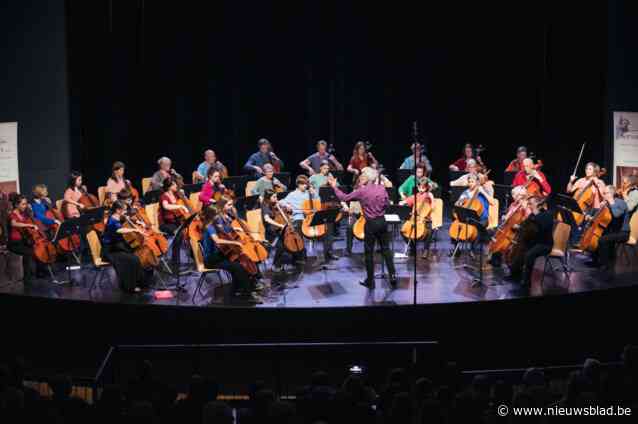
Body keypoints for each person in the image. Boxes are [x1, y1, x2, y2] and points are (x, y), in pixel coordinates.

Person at [328, 167, 397, 289]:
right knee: (386, 250)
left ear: (367, 178)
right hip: (382, 221)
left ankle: (370, 281)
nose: (361, 177)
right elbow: (387, 205)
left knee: (369, 253)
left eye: (363, 176)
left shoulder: (361, 191)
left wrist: (334, 187)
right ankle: (393, 276)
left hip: (370, 224)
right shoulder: (382, 188)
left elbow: (344, 198)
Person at [201, 201, 262, 303]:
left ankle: (242, 287)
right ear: (211, 216)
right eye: (216, 215)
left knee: (242, 261)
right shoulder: (209, 227)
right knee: (238, 267)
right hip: (212, 259)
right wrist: (234, 242)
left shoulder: (215, 224)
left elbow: (227, 230)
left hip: (221, 254)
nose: (218, 216)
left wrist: (234, 220)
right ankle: (247, 294)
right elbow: (217, 240)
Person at [101, 200, 149, 293]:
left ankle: (140, 282)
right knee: (132, 259)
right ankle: (129, 287)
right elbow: (120, 230)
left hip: (119, 246)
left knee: (135, 257)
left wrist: (138, 222)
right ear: (118, 210)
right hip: (111, 250)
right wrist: (135, 229)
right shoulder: (111, 220)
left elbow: (130, 218)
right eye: (124, 210)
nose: (125, 212)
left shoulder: (119, 217)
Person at [505, 196, 554, 287]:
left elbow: (542, 227)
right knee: (519, 250)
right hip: (532, 241)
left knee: (529, 255)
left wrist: (535, 213)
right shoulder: (533, 215)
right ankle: (515, 274)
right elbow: (525, 225)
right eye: (528, 204)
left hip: (544, 244)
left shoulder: (547, 215)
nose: (529, 206)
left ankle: (527, 281)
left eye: (530, 204)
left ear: (538, 204)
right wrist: (518, 227)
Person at [595, 177, 638, 276]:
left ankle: (605, 265)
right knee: (600, 236)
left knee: (603, 240)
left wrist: (610, 202)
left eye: (606, 193)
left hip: (623, 232)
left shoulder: (621, 203)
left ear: (611, 194)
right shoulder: (611, 202)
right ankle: (599, 261)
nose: (604, 195)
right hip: (614, 231)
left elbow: (616, 215)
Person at [261, 189, 304, 273]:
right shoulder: (265, 206)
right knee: (281, 246)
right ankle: (275, 265)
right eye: (274, 197)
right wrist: (280, 225)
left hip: (281, 230)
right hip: (271, 232)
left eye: (276, 196)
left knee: (289, 243)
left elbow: (286, 211)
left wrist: (288, 209)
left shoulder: (275, 204)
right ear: (268, 198)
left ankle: (292, 260)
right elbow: (267, 219)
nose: (276, 198)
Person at [399, 177, 436, 258]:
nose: (421, 189)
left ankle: (426, 249)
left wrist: (431, 197)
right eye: (419, 187)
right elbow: (407, 201)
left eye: (423, 188)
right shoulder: (416, 196)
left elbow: (433, 207)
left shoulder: (429, 195)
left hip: (425, 220)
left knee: (430, 230)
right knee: (402, 231)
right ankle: (412, 247)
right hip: (414, 219)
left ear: (427, 188)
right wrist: (402, 202)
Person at [8, 194, 41, 283]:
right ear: (16, 205)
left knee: (35, 250)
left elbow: (31, 218)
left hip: (23, 241)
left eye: (26, 204)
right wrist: (29, 225)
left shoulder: (23, 214)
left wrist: (29, 210)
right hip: (14, 243)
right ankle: (27, 279)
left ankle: (36, 274)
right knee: (29, 253)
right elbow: (13, 224)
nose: (25, 206)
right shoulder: (12, 214)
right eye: (23, 204)